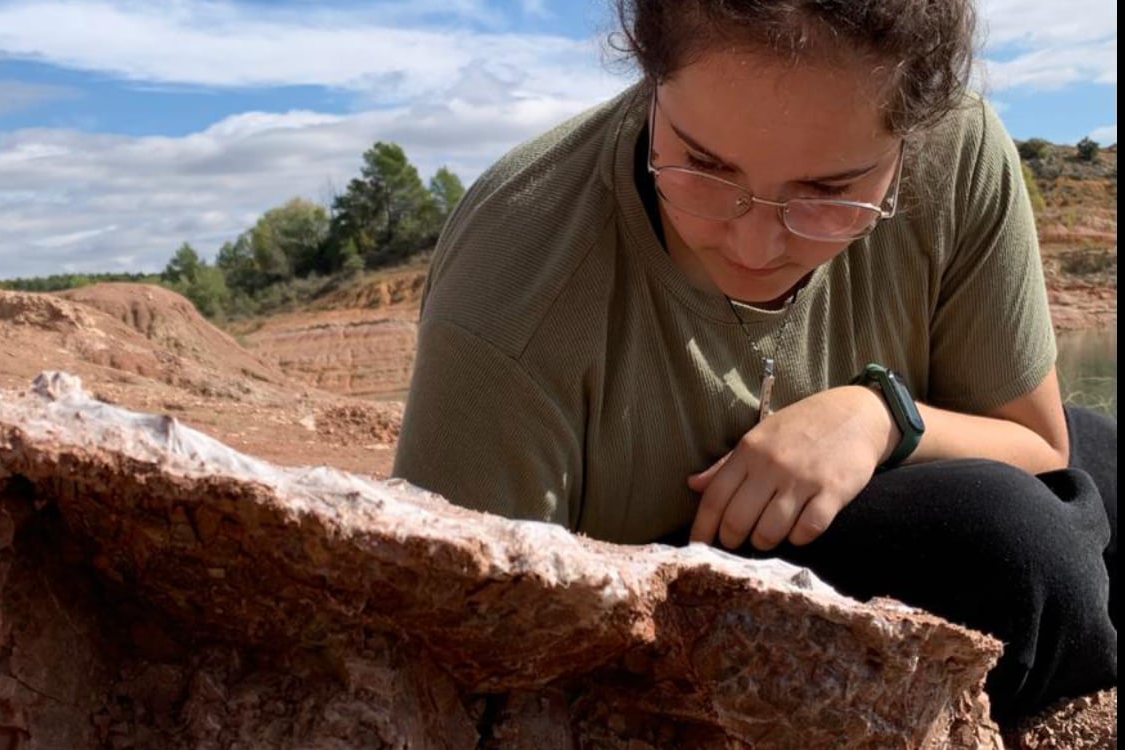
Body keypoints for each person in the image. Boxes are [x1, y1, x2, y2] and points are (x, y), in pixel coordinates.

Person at [392, 0, 1117, 726]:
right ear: (651, 80)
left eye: (829, 193)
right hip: (648, 628)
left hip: (890, 481)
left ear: (911, 137)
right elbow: (458, 656)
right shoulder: (515, 278)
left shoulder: (958, 148)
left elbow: (1037, 440)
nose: (755, 247)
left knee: (1103, 458)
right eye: (703, 167)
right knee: (1015, 550)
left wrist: (877, 416)